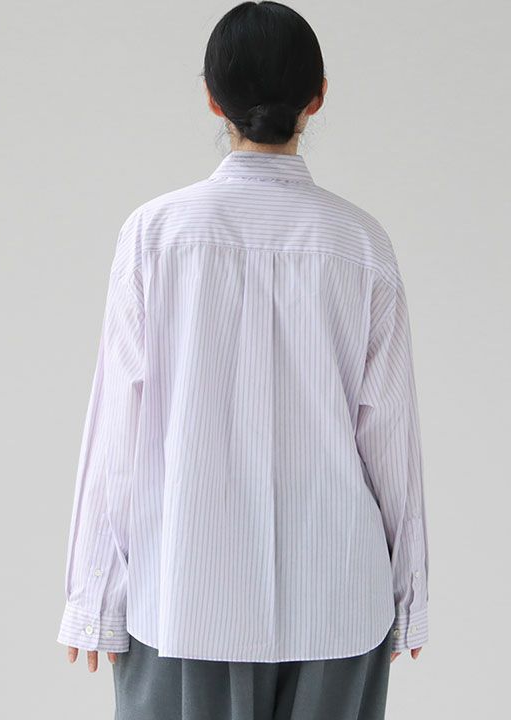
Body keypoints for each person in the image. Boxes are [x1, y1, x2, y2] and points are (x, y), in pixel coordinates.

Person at [56, 2, 429, 718]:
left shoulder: (155, 235)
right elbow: (391, 437)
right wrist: (408, 594)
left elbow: (117, 425)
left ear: (211, 97)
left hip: (184, 594)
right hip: (338, 600)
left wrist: (92, 594)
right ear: (317, 97)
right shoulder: (360, 243)